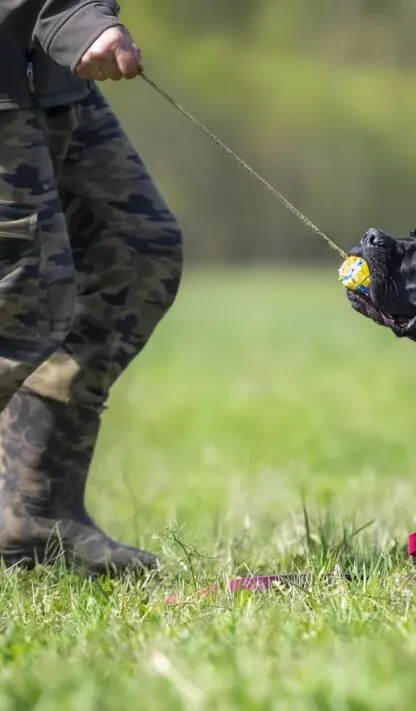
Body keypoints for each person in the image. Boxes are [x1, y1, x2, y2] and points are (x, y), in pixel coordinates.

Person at [0, 0, 182, 575]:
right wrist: (71, 15)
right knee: (20, 300)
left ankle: (32, 512)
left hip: (43, 69)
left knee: (131, 251)